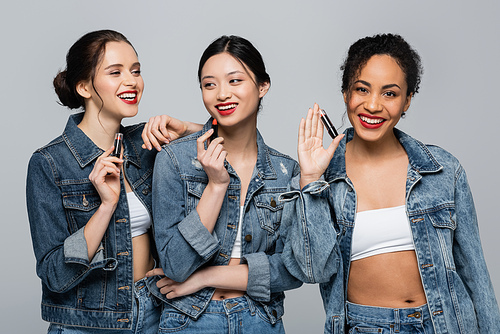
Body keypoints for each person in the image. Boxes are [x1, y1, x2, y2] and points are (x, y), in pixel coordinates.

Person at [280, 33, 500, 333]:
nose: (372, 105)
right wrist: (310, 181)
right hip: (366, 326)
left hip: (447, 324)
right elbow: (312, 269)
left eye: (390, 93)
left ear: (407, 100)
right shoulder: (322, 178)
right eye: (362, 89)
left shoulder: (443, 170)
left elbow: (476, 275)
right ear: (346, 93)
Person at [26, 29, 198, 333]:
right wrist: (106, 206)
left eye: (136, 71)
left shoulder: (146, 145)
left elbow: (233, 141)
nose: (131, 81)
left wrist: (184, 129)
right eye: (115, 72)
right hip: (87, 324)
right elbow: (54, 274)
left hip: (154, 312)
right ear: (84, 87)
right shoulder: (50, 163)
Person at [148, 35, 302, 333]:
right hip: (189, 319)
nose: (221, 94)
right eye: (209, 84)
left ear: (262, 86)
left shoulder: (285, 172)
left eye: (235, 81)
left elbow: (290, 270)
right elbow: (175, 266)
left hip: (259, 319)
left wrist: (206, 277)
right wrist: (216, 186)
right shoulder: (176, 160)